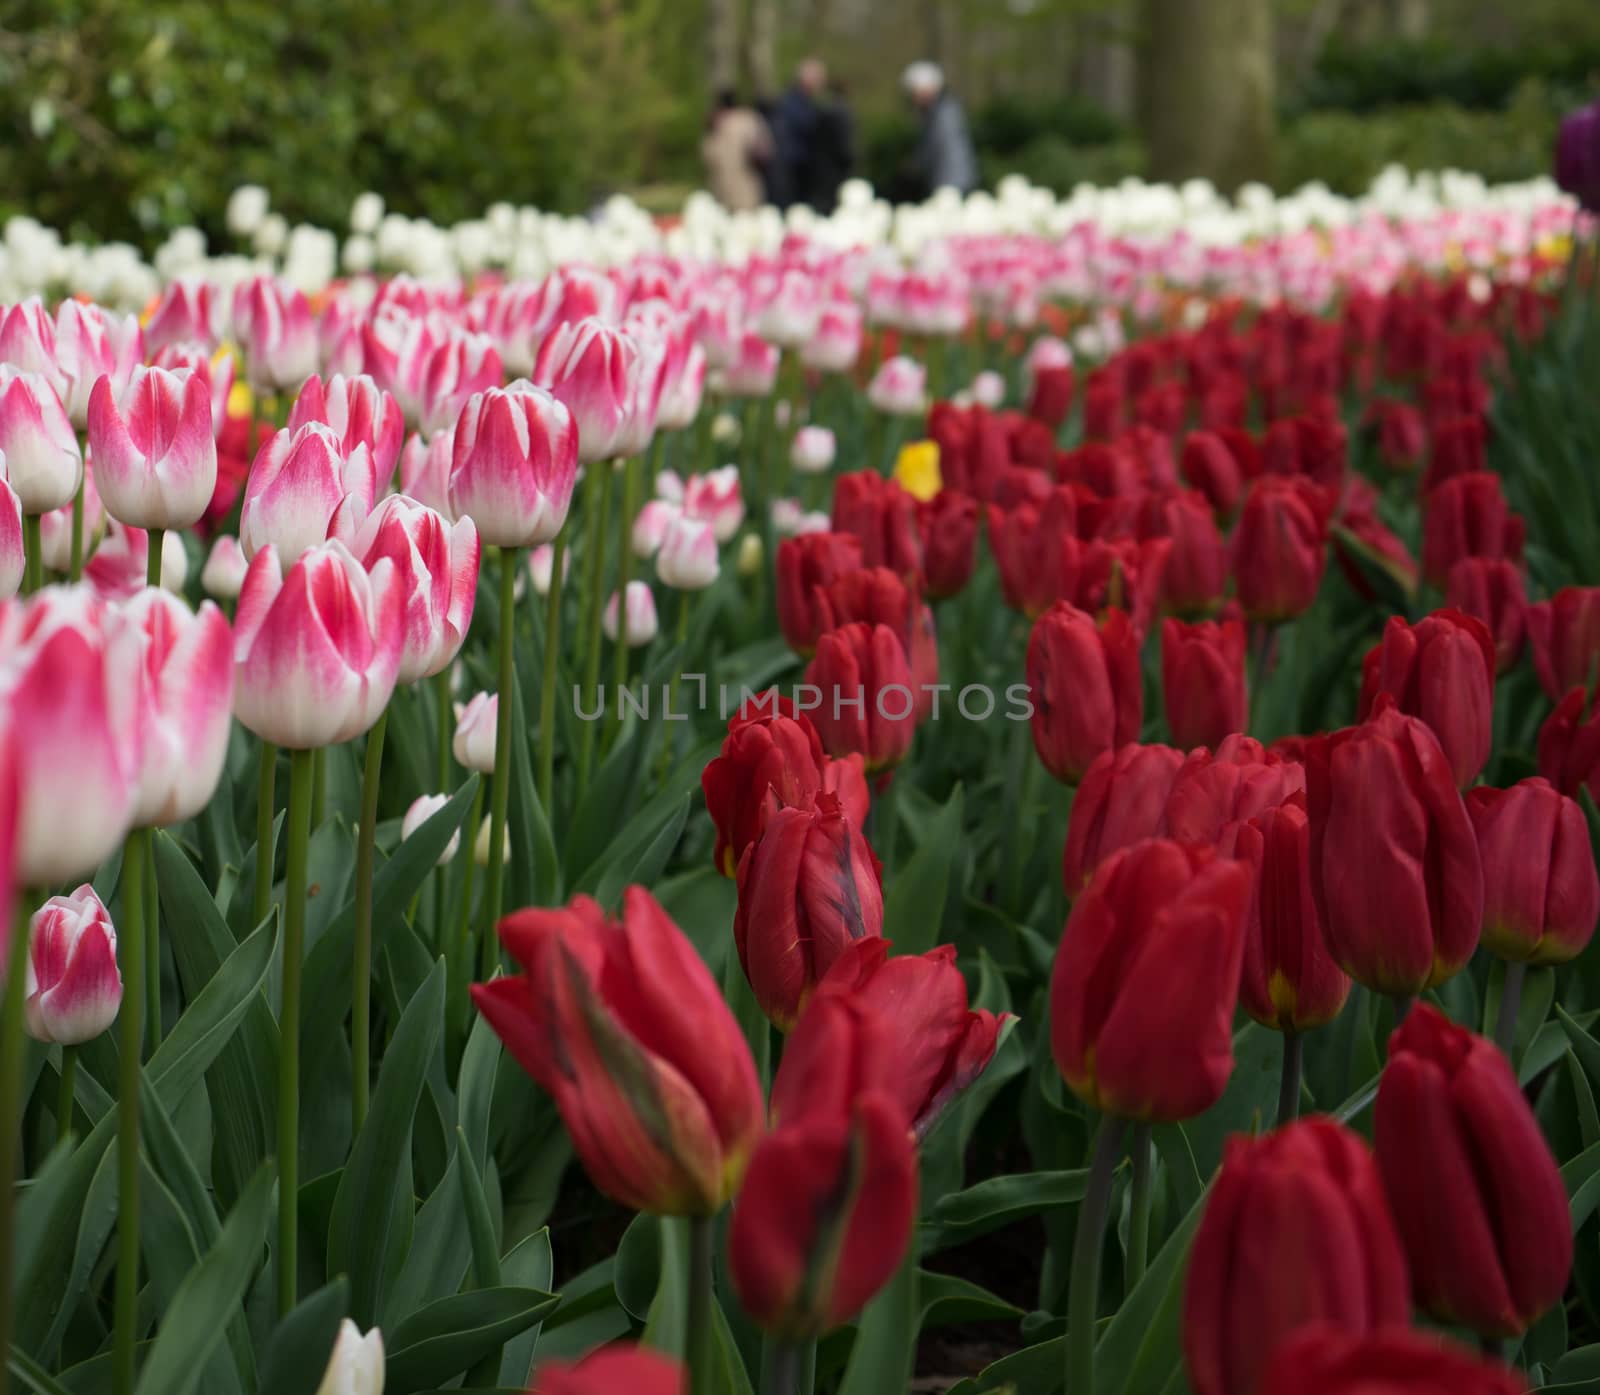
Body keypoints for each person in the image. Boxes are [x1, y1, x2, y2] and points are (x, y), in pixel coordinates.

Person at [902, 61, 977, 197]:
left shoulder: (943, 113)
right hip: (948, 180)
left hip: (951, 182)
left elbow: (935, 146)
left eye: (915, 91)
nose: (914, 98)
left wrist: (915, 166)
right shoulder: (939, 111)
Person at [768, 58, 828, 210]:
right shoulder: (793, 104)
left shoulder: (797, 102)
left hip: (792, 171)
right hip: (790, 174)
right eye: (819, 79)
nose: (821, 84)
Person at [702, 90, 774, 212]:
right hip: (749, 186)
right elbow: (766, 150)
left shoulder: (716, 122)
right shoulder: (750, 119)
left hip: (723, 189)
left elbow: (707, 155)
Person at [809, 79, 856, 215]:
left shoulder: (822, 111)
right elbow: (845, 148)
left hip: (821, 169)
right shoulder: (842, 114)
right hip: (837, 171)